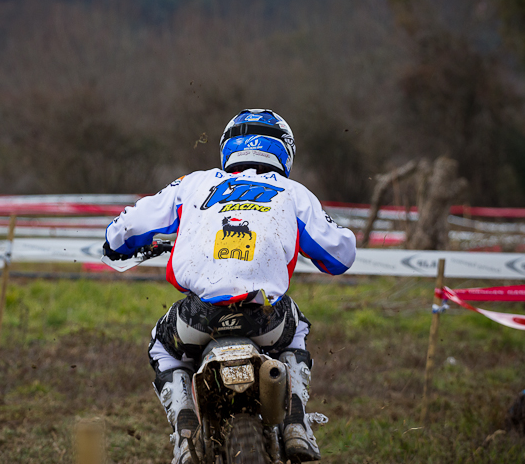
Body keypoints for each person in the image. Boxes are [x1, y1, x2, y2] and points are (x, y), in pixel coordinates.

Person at [103, 109, 356, 463]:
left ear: (227, 147)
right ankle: (297, 423)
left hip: (199, 318)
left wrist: (113, 242)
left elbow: (127, 227)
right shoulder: (294, 194)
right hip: (265, 318)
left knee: (163, 346)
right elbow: (341, 254)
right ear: (285, 151)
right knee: (297, 329)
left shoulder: (193, 184)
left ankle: (185, 432)